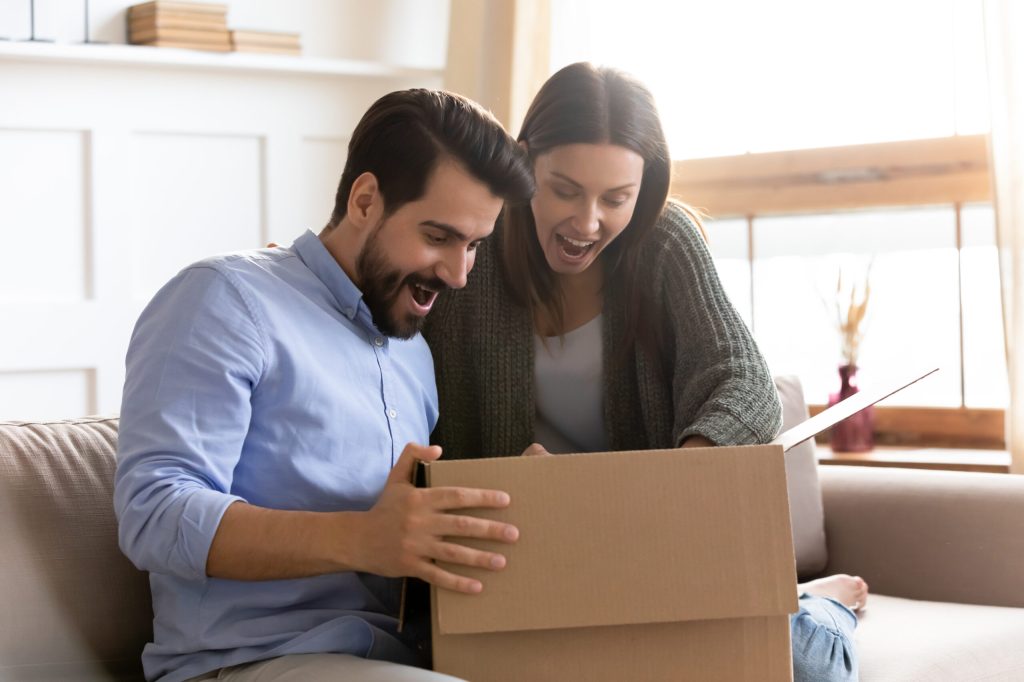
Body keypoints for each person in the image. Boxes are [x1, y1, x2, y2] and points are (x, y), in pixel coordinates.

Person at [423, 62, 867, 682]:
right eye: (565, 189)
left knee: (802, 667)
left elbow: (744, 381)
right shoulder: (475, 252)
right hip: (524, 558)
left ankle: (821, 608)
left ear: (644, 189)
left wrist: (669, 485)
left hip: (653, 552)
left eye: (616, 199)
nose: (587, 223)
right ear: (524, 166)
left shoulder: (664, 243)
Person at [114, 88, 534, 682]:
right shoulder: (226, 299)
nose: (459, 274)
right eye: (438, 237)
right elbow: (153, 513)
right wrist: (363, 538)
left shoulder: (412, 350)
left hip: (404, 660)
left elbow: (405, 536)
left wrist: (526, 503)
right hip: (248, 662)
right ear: (365, 200)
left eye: (473, 246)